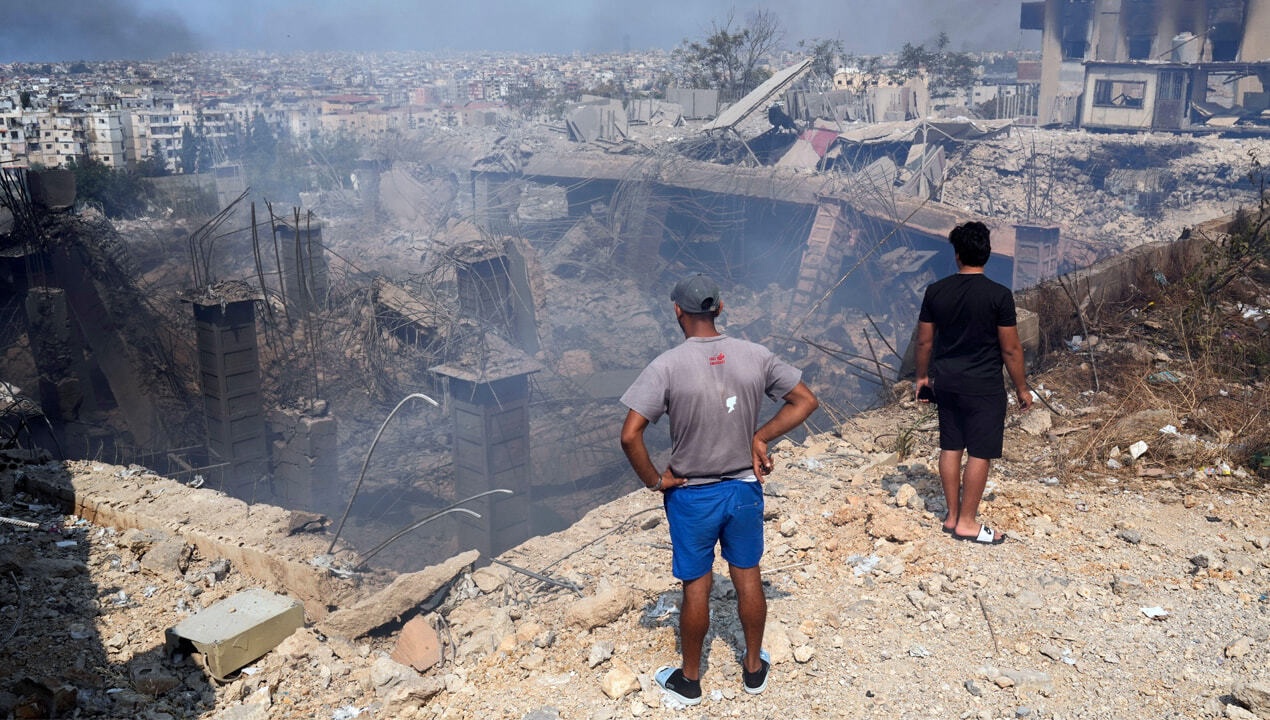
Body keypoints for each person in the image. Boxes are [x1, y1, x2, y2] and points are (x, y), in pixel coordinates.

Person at [619, 273, 819, 705]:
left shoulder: (667, 366)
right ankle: (751, 669)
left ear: (678, 311)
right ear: (720, 308)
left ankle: (690, 680)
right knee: (748, 576)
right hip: (744, 488)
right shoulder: (755, 355)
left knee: (697, 585)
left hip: (692, 494)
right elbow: (805, 400)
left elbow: (630, 434)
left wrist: (655, 480)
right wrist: (761, 436)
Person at [915, 221, 1032, 545]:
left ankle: (952, 515)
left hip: (948, 383)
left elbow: (924, 342)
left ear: (956, 255)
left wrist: (922, 377)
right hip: (984, 386)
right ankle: (967, 522)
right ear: (988, 254)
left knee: (950, 446)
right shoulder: (998, 295)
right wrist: (1022, 388)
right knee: (980, 451)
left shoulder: (936, 292)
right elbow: (1010, 348)